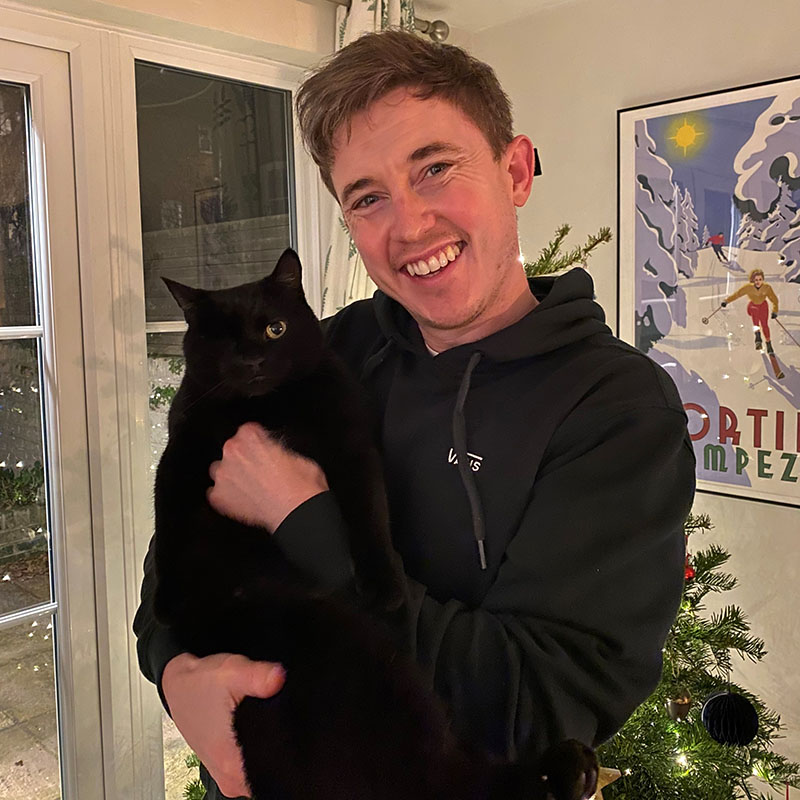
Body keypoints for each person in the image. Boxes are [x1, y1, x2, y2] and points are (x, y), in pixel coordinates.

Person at [134, 30, 696, 799]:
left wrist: (306, 519)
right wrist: (178, 673)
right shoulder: (325, 354)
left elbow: (534, 710)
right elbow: (176, 561)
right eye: (367, 197)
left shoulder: (616, 412)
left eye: (435, 168)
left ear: (516, 170)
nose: (409, 225)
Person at [721, 268, 780, 352]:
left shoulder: (767, 287)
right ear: (752, 280)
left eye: (760, 279)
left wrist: (775, 311)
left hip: (763, 306)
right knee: (755, 321)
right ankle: (758, 337)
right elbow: (737, 294)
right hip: (753, 306)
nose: (758, 282)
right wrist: (726, 301)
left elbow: (774, 299)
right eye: (756, 280)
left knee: (764, 324)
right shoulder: (748, 288)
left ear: (763, 279)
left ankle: (768, 343)